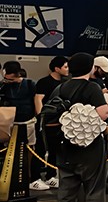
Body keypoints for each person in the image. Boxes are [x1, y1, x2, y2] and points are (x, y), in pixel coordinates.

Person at [53, 52, 108, 202]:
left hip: (64, 145)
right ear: (90, 68)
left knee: (66, 191)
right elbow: (102, 114)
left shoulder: (60, 88)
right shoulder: (92, 88)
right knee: (94, 189)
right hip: (90, 147)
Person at [2, 60, 42, 189]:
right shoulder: (3, 86)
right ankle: (9, 175)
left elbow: (36, 101)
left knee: (30, 147)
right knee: (9, 149)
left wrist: (38, 116)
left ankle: (29, 175)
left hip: (28, 120)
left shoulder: (30, 84)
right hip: (9, 121)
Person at [33, 55, 68, 188]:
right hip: (45, 122)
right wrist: (41, 117)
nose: (67, 69)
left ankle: (50, 176)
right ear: (56, 68)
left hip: (59, 122)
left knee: (55, 150)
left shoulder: (65, 83)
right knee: (40, 150)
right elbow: (38, 99)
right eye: (65, 66)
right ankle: (35, 178)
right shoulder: (44, 82)